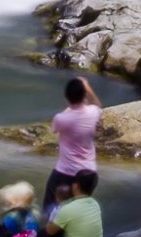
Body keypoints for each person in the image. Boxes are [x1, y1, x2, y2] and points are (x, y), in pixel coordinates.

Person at [46, 78, 103, 206]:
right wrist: (89, 90)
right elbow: (98, 106)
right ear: (84, 94)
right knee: (79, 208)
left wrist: (69, 109)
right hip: (89, 172)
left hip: (65, 172)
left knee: (50, 206)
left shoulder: (61, 118)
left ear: (66, 96)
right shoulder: (93, 112)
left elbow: (54, 130)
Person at [45, 170, 101, 237]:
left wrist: (53, 214)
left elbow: (50, 231)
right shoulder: (95, 204)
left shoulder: (67, 208)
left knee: (44, 233)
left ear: (75, 186)